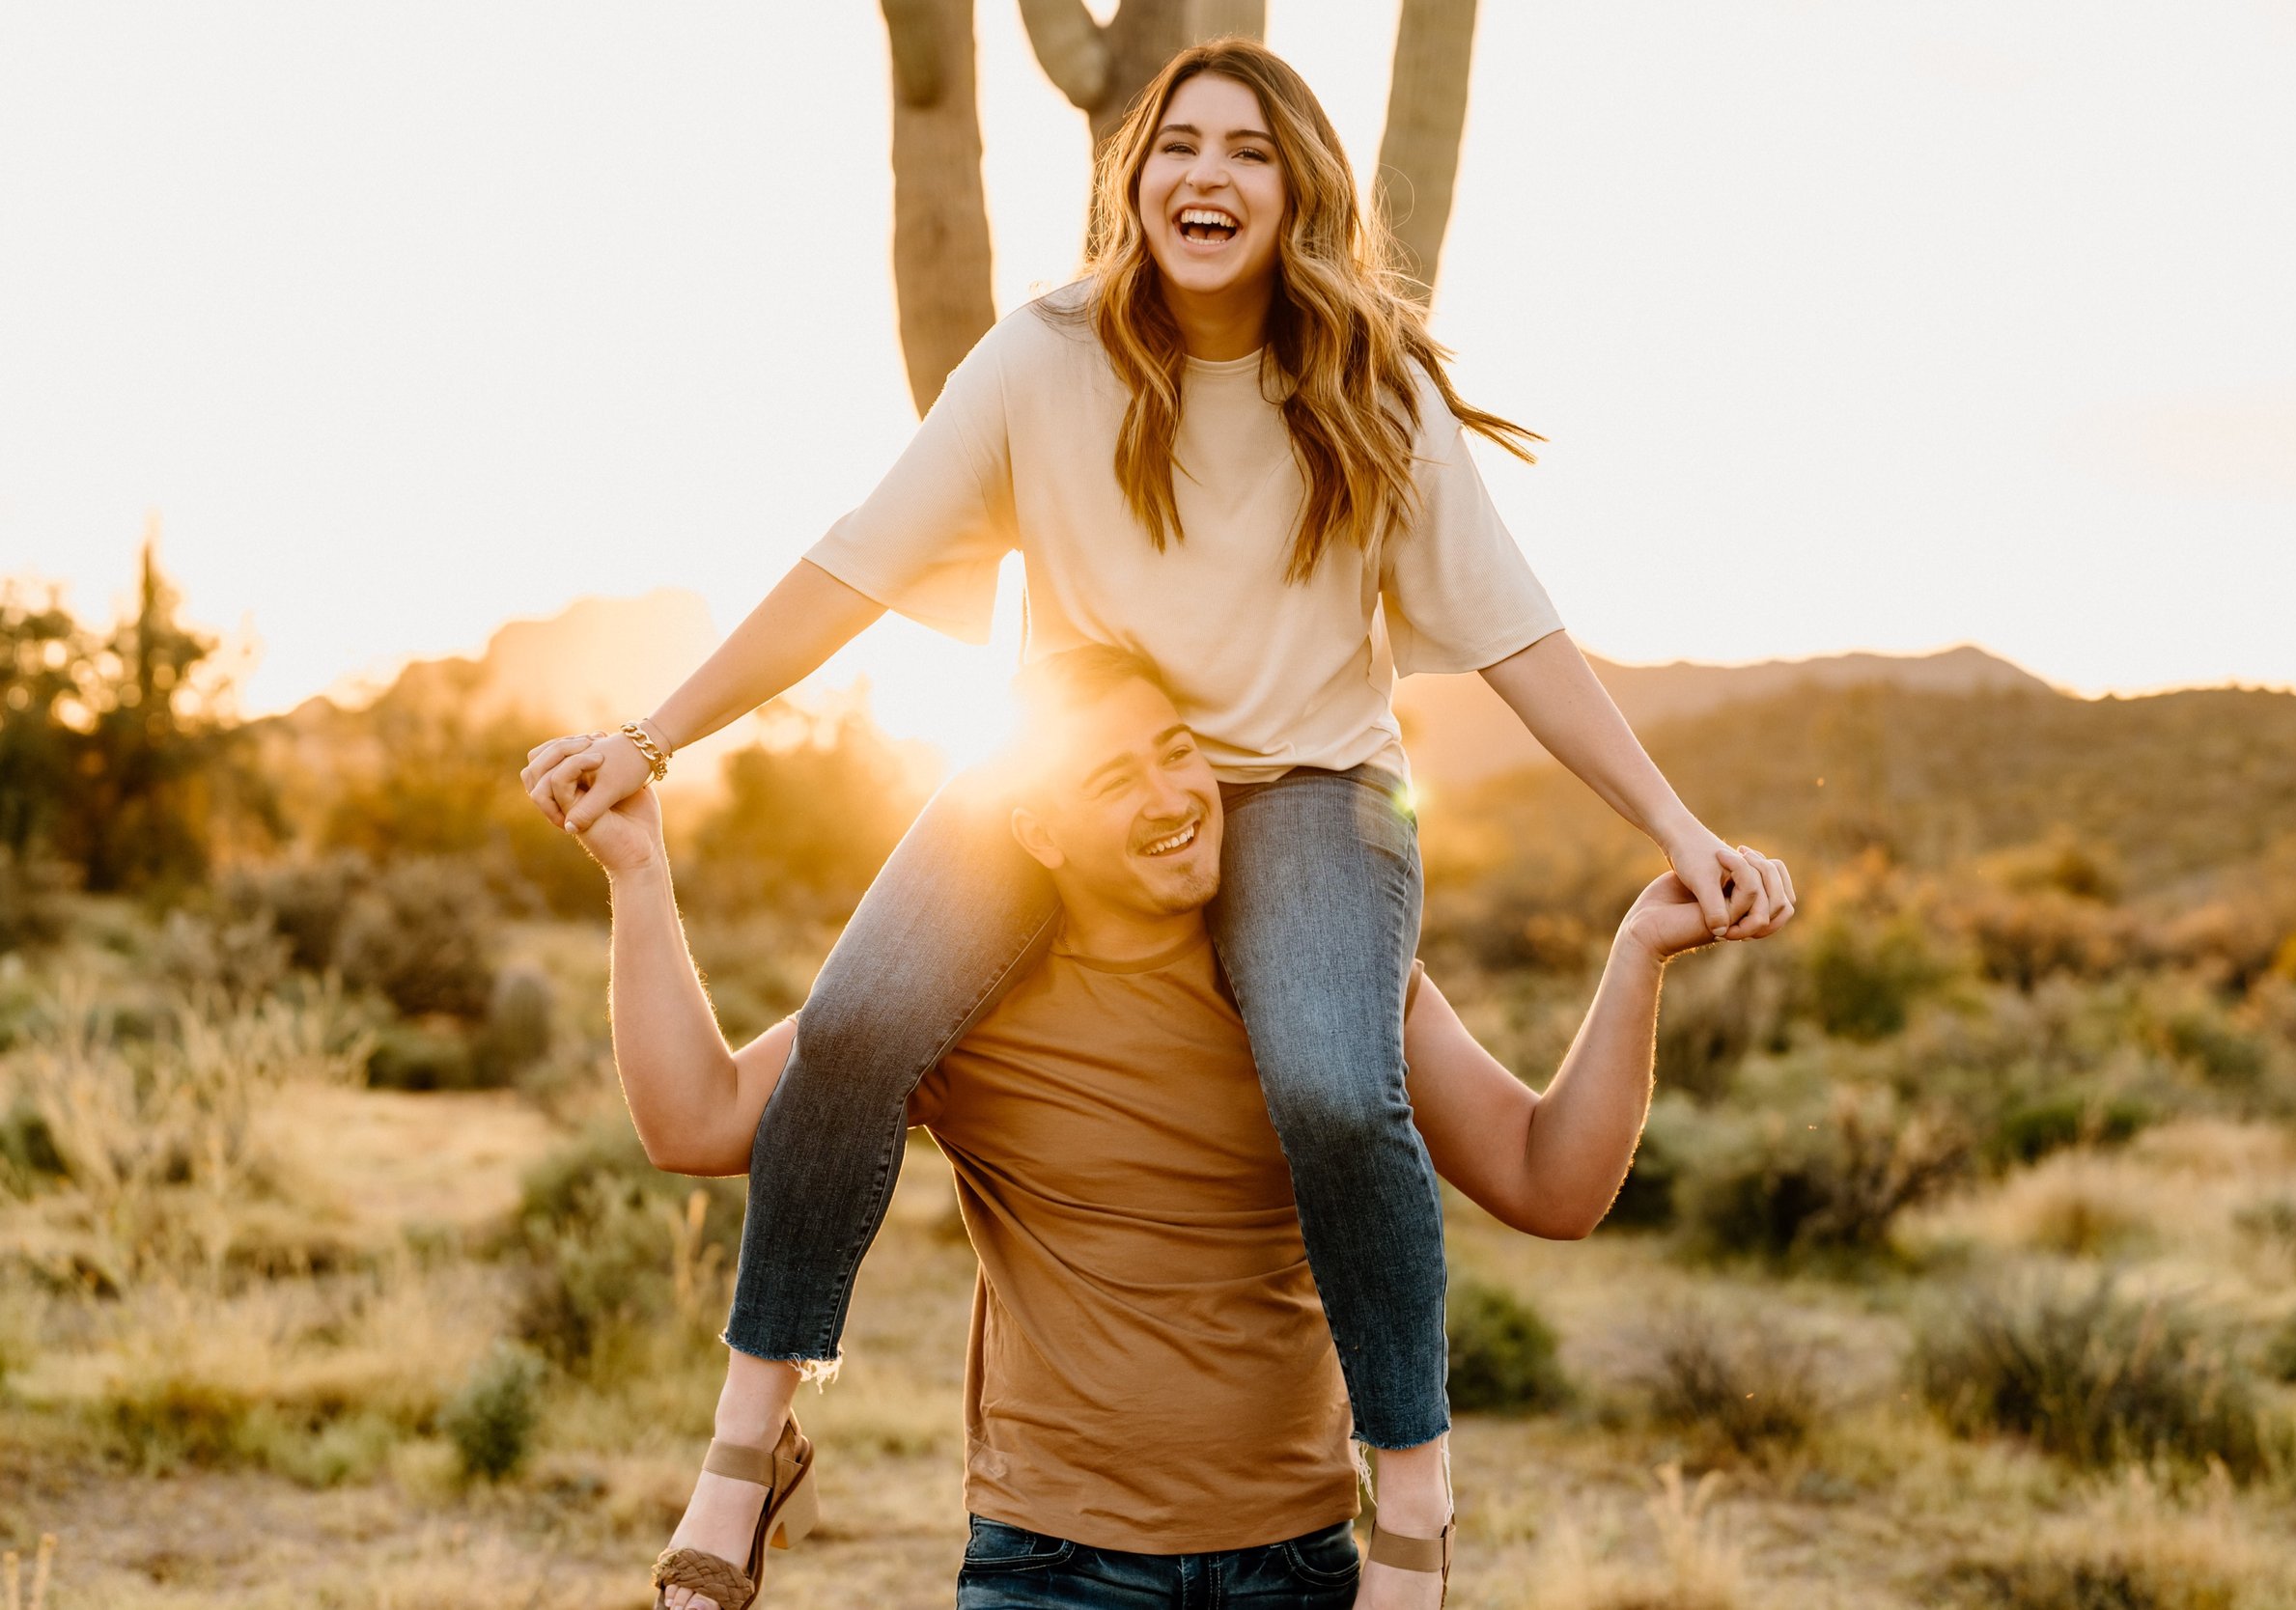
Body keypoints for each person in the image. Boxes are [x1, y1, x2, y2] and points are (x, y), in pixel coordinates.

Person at [518, 37, 1783, 1610]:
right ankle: (746, 1447)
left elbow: (1516, 630)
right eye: (1179, 143)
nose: (1209, 172)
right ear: (1134, 182)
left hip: (1313, 793)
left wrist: (1675, 822)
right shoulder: (1047, 357)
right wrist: (653, 733)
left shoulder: (1366, 379)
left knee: (1334, 1083)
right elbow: (855, 561)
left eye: (1251, 150)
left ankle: (1414, 1499)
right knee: (853, 1027)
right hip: (1072, 770)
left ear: (1299, 188)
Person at [571, 647, 1796, 1609]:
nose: (1172, 797)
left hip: (1305, 1569)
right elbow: (702, 1119)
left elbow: (1550, 1183)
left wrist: (1635, 957)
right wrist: (638, 875)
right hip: (1051, 1571)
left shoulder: (1325, 987)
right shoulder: (956, 1008)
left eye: (1177, 753)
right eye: (1114, 781)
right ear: (1035, 833)